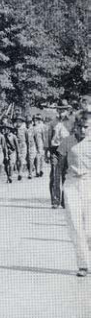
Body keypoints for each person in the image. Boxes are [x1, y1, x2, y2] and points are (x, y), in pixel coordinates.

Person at [62, 112, 91, 277]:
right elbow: (57, 160)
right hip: (72, 184)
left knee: (89, 229)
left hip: (89, 183)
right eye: (79, 126)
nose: (82, 130)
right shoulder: (67, 142)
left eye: (86, 127)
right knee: (75, 225)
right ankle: (83, 265)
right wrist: (57, 188)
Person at [48, 104, 73, 208]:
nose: (61, 111)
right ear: (57, 110)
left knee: (66, 176)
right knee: (55, 175)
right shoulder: (52, 122)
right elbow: (48, 137)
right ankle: (55, 200)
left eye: (64, 109)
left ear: (67, 110)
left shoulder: (71, 122)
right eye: (59, 109)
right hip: (55, 149)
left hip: (67, 150)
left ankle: (64, 201)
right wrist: (47, 151)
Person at [14, 114, 29, 181]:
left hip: (23, 145)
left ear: (22, 122)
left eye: (19, 121)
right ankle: (18, 171)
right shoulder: (14, 129)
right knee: (17, 160)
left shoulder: (24, 129)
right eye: (17, 121)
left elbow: (27, 138)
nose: (18, 123)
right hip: (16, 146)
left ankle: (20, 173)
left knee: (21, 159)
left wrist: (27, 146)